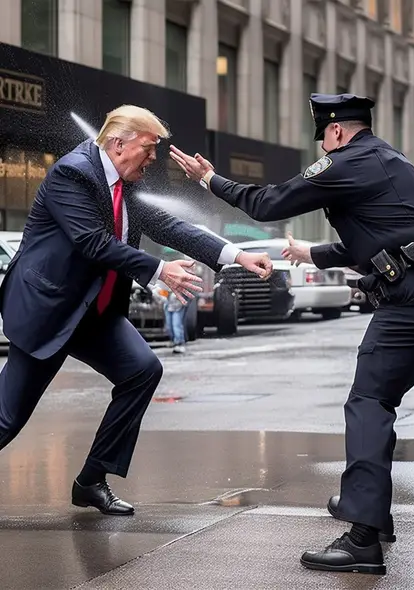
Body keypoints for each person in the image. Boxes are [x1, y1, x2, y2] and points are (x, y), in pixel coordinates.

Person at [169, 93, 414, 575]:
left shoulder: (344, 162)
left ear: (334, 132)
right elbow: (382, 237)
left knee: (369, 402)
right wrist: (313, 254)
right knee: (380, 398)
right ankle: (371, 509)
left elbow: (266, 203)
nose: (322, 153)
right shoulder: (392, 161)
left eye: (323, 142)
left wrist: (209, 179)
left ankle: (362, 539)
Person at [0, 105, 272, 516]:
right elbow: (93, 242)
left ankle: (92, 480)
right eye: (148, 148)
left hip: (95, 314)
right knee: (7, 418)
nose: (153, 158)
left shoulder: (124, 183)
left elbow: (168, 226)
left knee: (142, 370)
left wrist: (236, 255)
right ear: (118, 143)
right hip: (49, 310)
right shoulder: (72, 173)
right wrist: (161, 270)